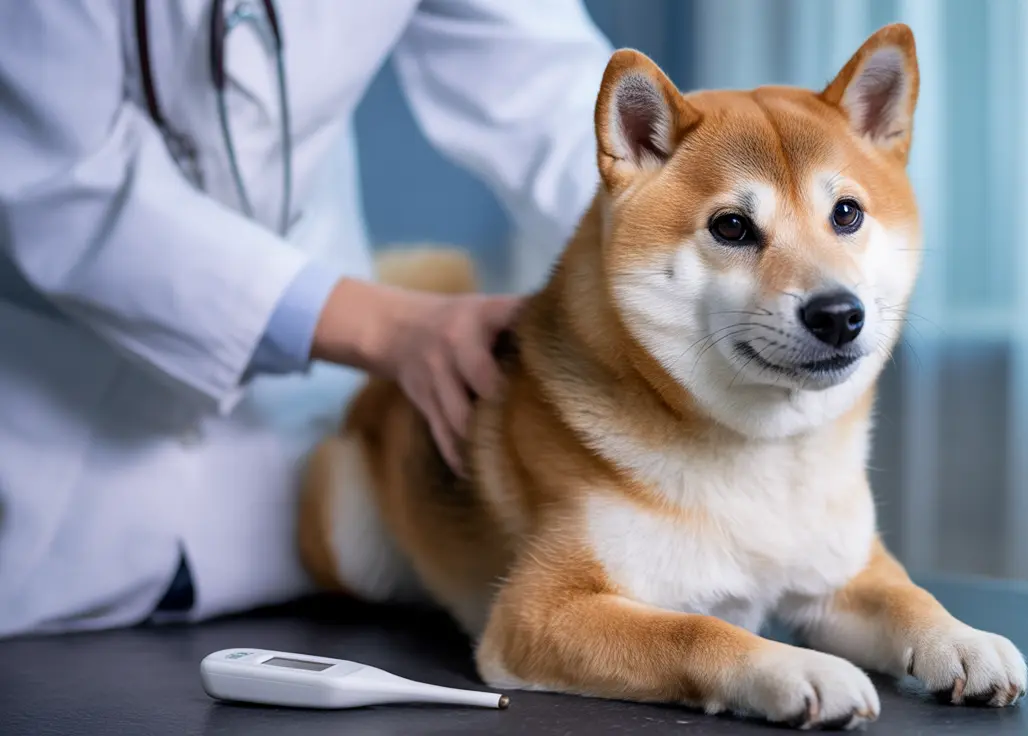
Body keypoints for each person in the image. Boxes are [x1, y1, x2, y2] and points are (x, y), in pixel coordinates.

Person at [0, 1, 612, 638]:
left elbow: (551, 93)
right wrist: (390, 328)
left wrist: (666, 233)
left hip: (312, 483)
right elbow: (58, 184)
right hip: (55, 491)